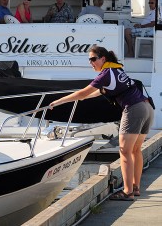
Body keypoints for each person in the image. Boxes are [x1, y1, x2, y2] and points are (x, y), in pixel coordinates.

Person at [49, 45, 154, 201]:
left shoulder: (105, 73)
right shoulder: (116, 70)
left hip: (134, 109)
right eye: (89, 60)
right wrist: (80, 97)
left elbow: (83, 93)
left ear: (103, 59)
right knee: (135, 150)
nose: (91, 63)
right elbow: (94, 93)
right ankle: (135, 187)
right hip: (147, 107)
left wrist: (58, 102)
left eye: (93, 59)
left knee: (125, 151)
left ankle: (127, 192)